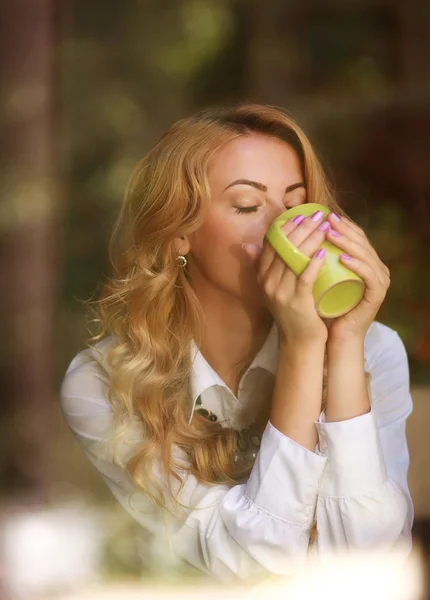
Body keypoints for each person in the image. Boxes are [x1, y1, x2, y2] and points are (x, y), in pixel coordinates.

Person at [60, 103, 414, 582]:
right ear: (179, 234)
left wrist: (341, 341)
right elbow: (256, 566)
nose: (287, 228)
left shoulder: (373, 350)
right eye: (249, 206)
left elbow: (367, 563)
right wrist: (302, 347)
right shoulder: (107, 383)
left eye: (297, 204)